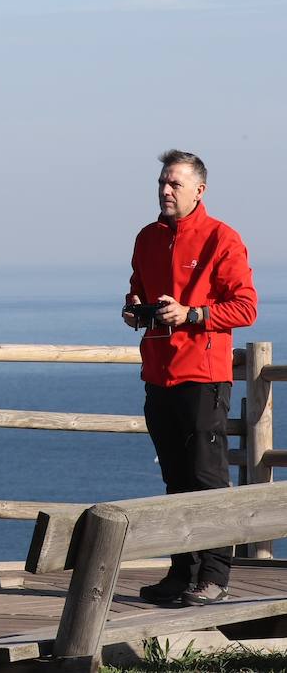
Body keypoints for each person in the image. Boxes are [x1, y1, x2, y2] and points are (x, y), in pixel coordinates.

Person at [125, 149, 257, 607]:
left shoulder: (222, 238)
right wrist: (134, 310)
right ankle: (183, 573)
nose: (165, 190)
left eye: (175, 184)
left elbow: (246, 307)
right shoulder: (146, 238)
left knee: (206, 478)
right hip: (158, 375)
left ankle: (215, 576)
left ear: (199, 190)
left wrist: (192, 313)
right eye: (162, 182)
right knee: (175, 480)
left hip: (203, 376)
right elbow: (136, 288)